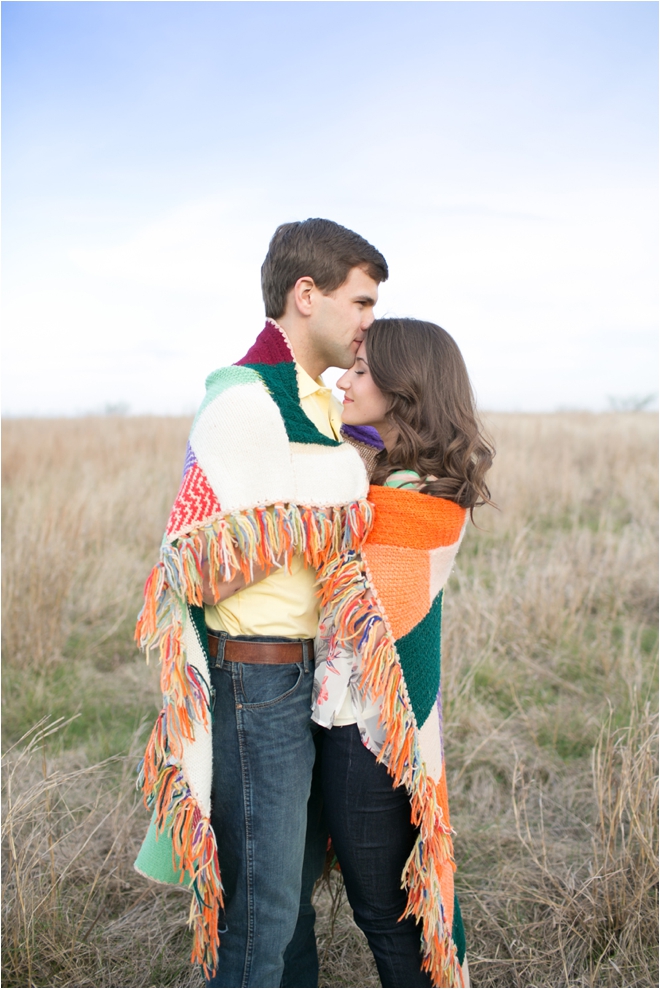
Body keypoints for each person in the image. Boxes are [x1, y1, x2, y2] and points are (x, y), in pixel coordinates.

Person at [132, 218, 388, 988]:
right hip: (257, 682)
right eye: (362, 302)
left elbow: (347, 489)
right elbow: (198, 565)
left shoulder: (319, 406)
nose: (371, 322)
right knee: (264, 913)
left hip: (313, 680)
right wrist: (333, 487)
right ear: (306, 295)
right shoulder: (243, 401)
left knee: (293, 904)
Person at [311, 318, 494, 988]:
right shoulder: (389, 479)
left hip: (370, 733)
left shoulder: (408, 500)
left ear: (403, 386)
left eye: (361, 371)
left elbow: (333, 595)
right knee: (388, 913)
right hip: (365, 724)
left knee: (389, 916)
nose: (342, 380)